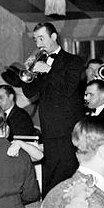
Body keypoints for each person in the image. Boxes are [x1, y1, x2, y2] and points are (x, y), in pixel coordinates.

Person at [18, 22, 85, 195]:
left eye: (42, 38)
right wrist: (29, 72)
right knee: (51, 180)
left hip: (69, 131)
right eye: (36, 40)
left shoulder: (73, 61)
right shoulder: (40, 63)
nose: (38, 44)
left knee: (69, 179)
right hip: (49, 130)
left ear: (54, 37)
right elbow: (29, 92)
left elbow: (69, 89)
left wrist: (48, 69)